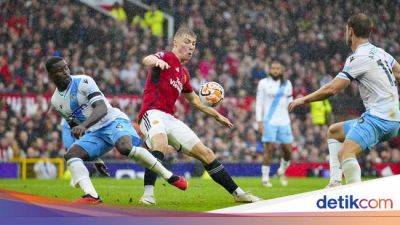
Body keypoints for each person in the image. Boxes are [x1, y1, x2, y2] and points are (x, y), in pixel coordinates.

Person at [137, 26, 261, 205]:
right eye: (187, 42)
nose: (191, 47)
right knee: (160, 145)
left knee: (206, 153)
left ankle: (238, 193)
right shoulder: (166, 56)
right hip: (152, 113)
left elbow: (194, 101)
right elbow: (147, 59)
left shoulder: (184, 74)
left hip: (170, 118)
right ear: (175, 42)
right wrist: (156, 62)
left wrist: (216, 115)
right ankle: (148, 195)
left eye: (193, 44)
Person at [46, 56, 187, 204]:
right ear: (51, 75)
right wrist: (96, 158)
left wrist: (83, 126)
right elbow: (75, 129)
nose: (65, 72)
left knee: (125, 147)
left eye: (66, 68)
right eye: (59, 70)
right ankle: (92, 196)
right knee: (71, 155)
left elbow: (101, 108)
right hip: (95, 133)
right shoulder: (56, 101)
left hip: (113, 121)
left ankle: (171, 177)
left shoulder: (83, 81)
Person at [289, 13, 400, 186]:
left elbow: (332, 88)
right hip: (393, 118)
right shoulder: (381, 52)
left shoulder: (358, 57)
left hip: (379, 118)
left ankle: (355, 200)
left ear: (350, 32)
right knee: (334, 131)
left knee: (345, 153)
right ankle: (335, 183)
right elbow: (399, 73)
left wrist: (303, 100)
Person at [60, 66, 109, 177]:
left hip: (83, 124)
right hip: (68, 125)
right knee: (70, 149)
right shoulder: (68, 87)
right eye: (78, 73)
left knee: (82, 148)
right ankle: (71, 171)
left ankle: (83, 171)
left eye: (81, 73)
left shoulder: (86, 85)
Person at [255, 61, 293, 187]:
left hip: (284, 121)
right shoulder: (263, 83)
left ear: (281, 70)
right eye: (273, 68)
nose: (275, 70)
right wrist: (259, 121)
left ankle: (281, 169)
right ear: (269, 70)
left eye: (278, 68)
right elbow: (259, 103)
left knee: (288, 150)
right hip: (269, 121)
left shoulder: (287, 84)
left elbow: (290, 102)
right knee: (268, 149)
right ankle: (265, 178)